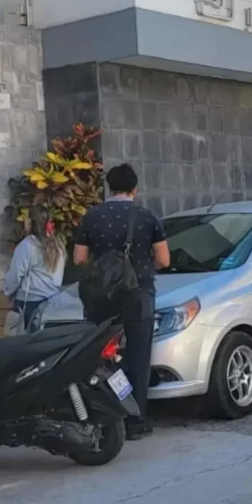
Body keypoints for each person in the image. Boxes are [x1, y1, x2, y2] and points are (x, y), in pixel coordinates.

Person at [73, 164, 170, 441]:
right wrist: (140, 268)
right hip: (138, 294)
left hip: (101, 297)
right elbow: (164, 260)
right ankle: (136, 421)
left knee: (101, 354)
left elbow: (80, 259)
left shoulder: (92, 216)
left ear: (109, 188)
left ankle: (105, 416)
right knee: (138, 358)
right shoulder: (146, 216)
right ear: (134, 189)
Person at [4, 205, 66, 330]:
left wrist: (8, 292)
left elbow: (15, 275)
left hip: (29, 304)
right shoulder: (58, 244)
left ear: (30, 222)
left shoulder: (28, 245)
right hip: (52, 302)